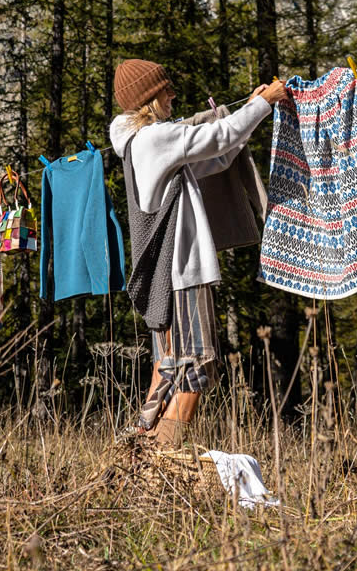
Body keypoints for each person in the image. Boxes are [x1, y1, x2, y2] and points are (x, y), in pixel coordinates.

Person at [109, 59, 287, 447]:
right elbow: (220, 136)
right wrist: (265, 102)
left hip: (168, 276)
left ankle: (138, 447)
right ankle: (161, 458)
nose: (173, 94)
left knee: (171, 369)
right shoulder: (155, 138)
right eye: (166, 89)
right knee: (195, 368)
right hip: (182, 271)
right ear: (149, 98)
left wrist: (249, 109)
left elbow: (218, 155)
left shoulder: (143, 144)